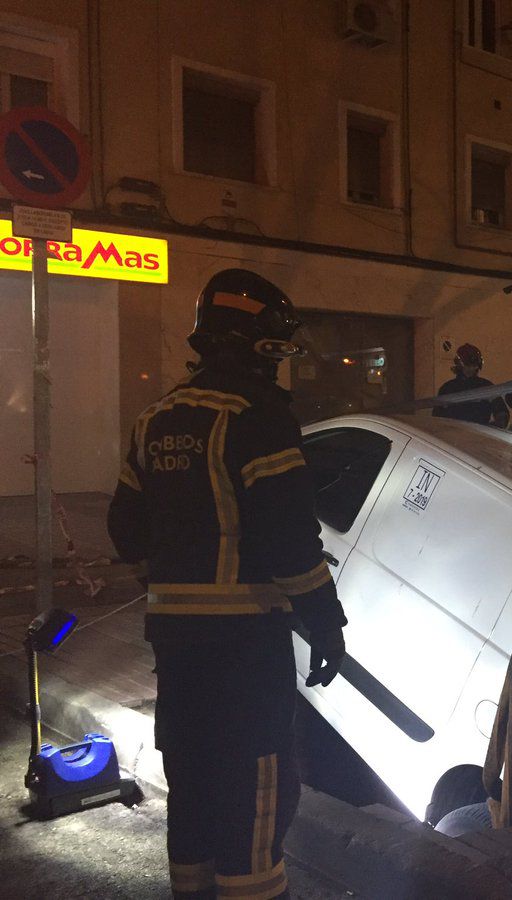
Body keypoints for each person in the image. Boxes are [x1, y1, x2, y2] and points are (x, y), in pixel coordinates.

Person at [107, 269, 347, 900]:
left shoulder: (154, 420)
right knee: (255, 798)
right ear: (254, 344)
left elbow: (125, 531)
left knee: (194, 792)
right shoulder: (258, 417)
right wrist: (327, 623)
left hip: (177, 652)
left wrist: (170, 588)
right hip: (245, 652)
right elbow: (290, 542)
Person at [433, 343, 506, 426]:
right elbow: (437, 419)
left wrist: (492, 428)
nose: (471, 369)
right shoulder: (447, 389)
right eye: (468, 365)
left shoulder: (486, 387)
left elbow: (501, 412)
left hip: (479, 436)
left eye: (474, 365)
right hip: (453, 435)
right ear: (460, 365)